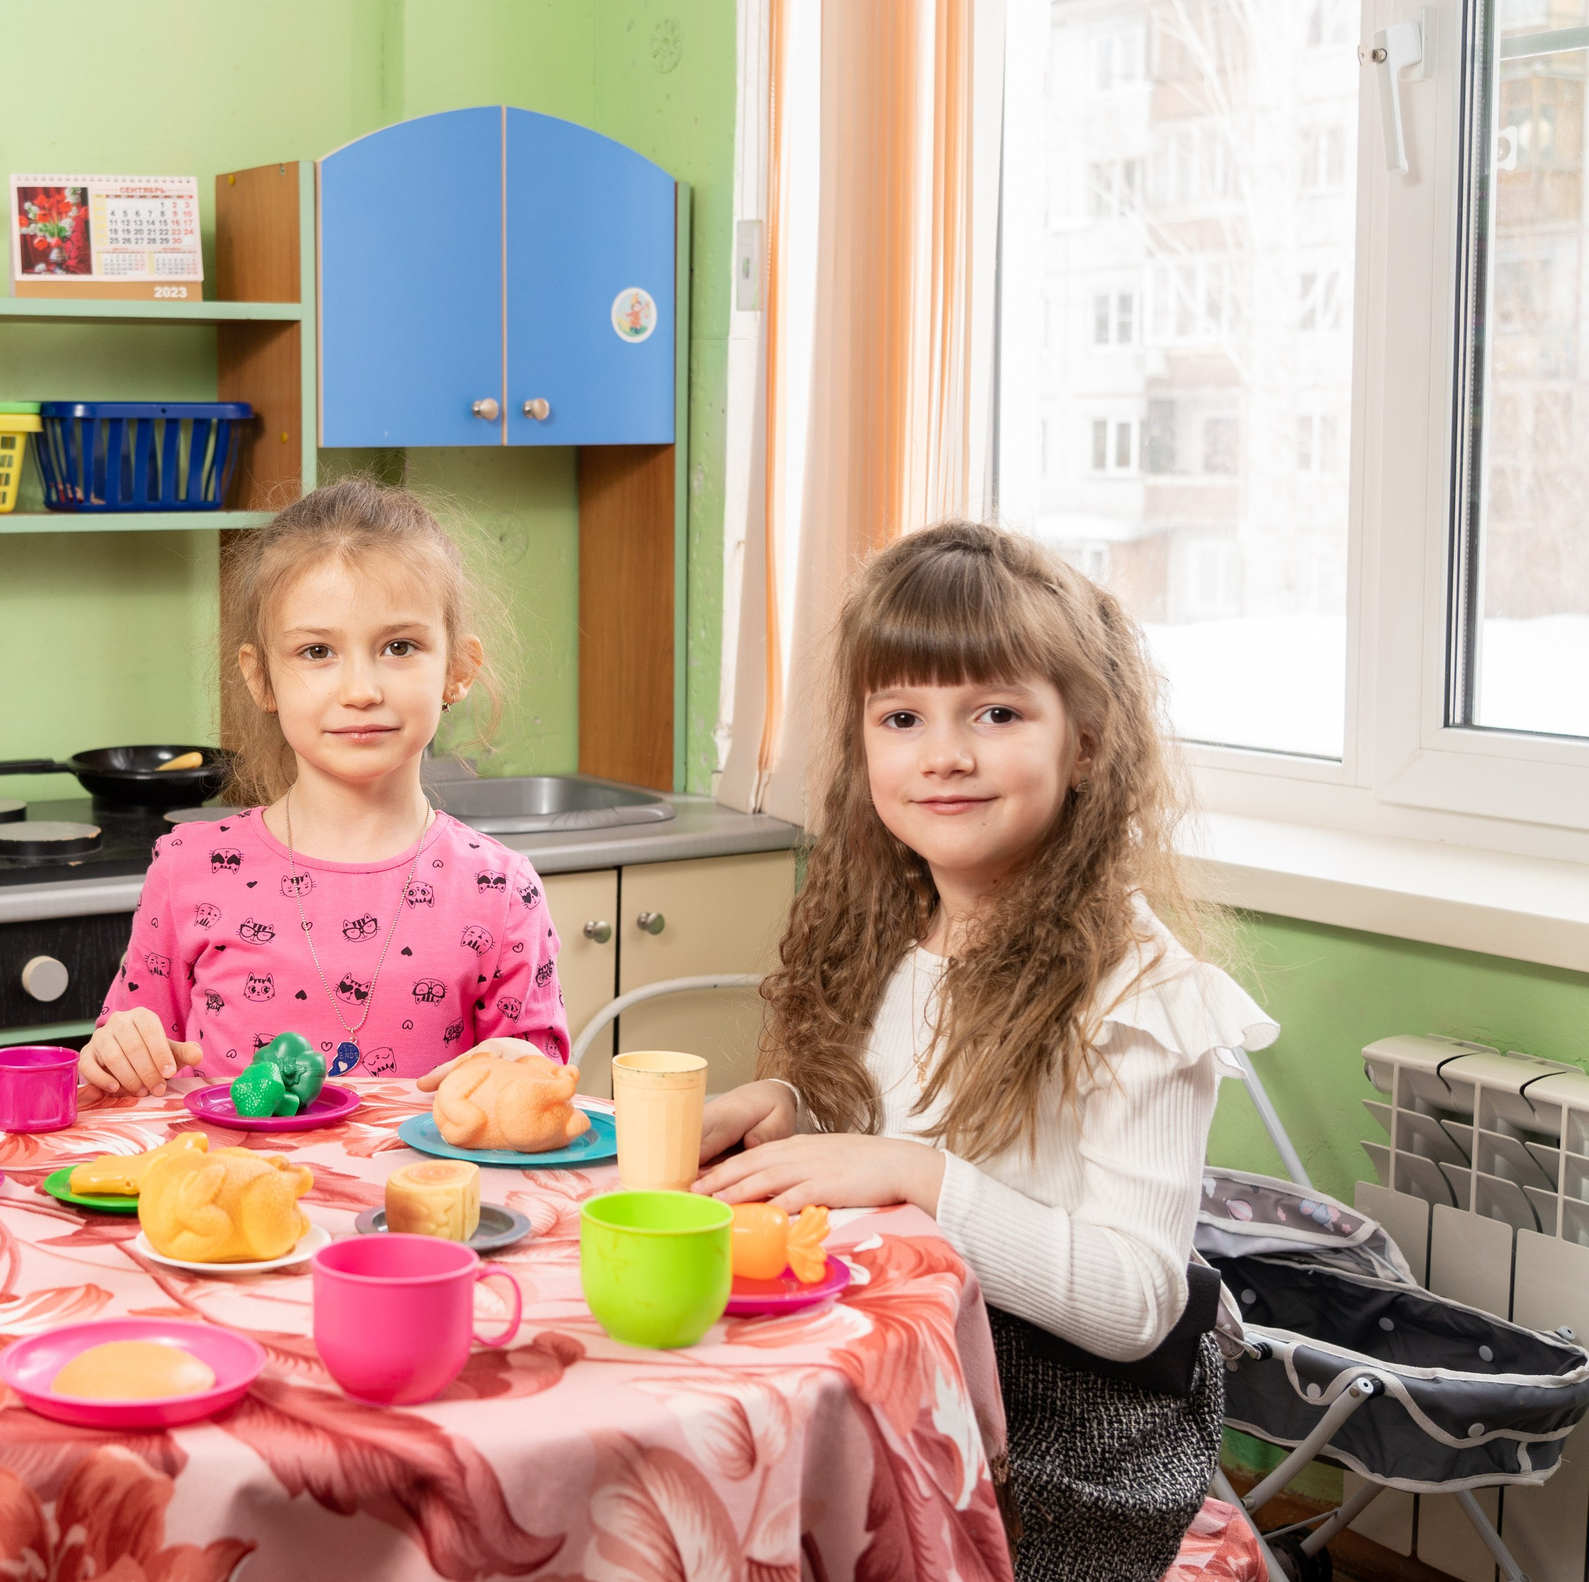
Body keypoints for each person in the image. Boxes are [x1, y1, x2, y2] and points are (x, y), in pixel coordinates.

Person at [693, 521, 1273, 1581]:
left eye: (996, 713)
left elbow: (1137, 1302)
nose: (944, 754)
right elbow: (905, 1127)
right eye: (901, 717)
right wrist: (792, 1111)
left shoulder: (1141, 994)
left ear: (1085, 743)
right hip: (900, 1379)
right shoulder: (887, 934)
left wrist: (913, 1175)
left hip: (1067, 1440)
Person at [79, 477, 568, 1094]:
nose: (361, 690)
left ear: (458, 669)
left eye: (399, 646)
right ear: (261, 678)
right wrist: (113, 1055)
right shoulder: (187, 869)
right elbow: (126, 1071)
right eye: (316, 651)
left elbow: (539, 1094)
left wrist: (522, 1073)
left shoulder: (500, 890)